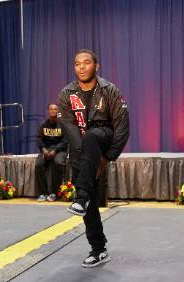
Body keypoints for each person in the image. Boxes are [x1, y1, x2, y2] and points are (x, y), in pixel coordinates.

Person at [58, 49, 129, 268]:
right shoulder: (66, 93)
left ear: (96, 66)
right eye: (77, 64)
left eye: (86, 63)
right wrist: (83, 161)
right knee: (87, 204)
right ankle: (99, 249)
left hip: (102, 138)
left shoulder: (109, 90)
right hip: (80, 152)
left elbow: (122, 127)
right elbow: (68, 127)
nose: (81, 67)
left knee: (93, 134)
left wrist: (106, 159)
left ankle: (81, 195)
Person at [35, 103, 68, 202]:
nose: (53, 111)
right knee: (38, 164)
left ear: (58, 112)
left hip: (59, 150)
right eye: (51, 109)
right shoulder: (43, 124)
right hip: (46, 149)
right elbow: (39, 139)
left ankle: (54, 193)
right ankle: (43, 193)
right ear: (48, 111)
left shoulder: (62, 125)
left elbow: (65, 141)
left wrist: (55, 150)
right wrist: (43, 149)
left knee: (58, 163)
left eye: (55, 109)